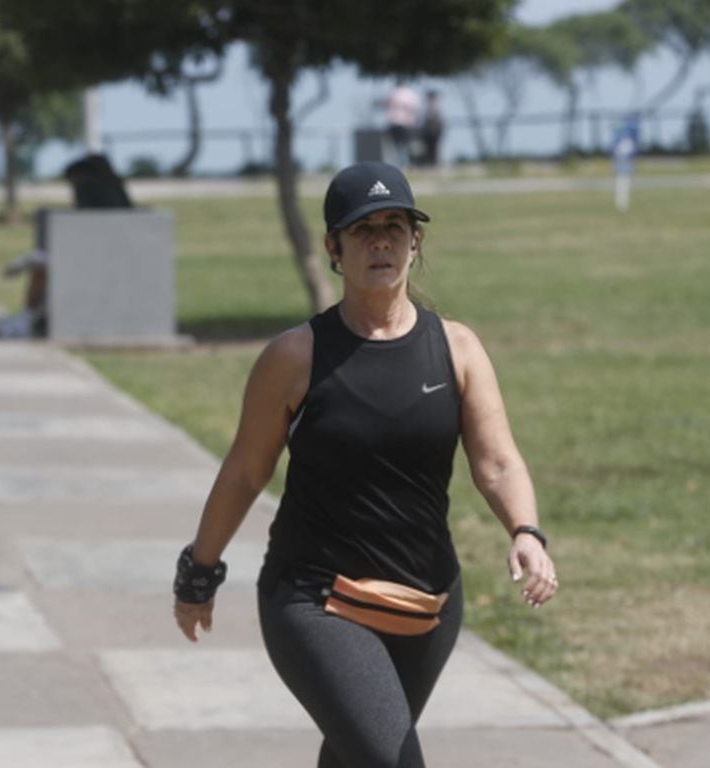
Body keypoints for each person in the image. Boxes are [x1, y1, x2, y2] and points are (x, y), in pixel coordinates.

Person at [172, 162, 558, 768]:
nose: (381, 241)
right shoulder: (296, 356)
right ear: (333, 247)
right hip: (316, 600)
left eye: (395, 226)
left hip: (427, 604)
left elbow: (498, 462)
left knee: (355, 759)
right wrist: (200, 570)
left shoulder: (456, 348)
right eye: (363, 229)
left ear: (415, 241)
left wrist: (526, 532)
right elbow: (246, 472)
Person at [0, 153, 132, 337]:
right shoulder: (115, 188)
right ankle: (27, 313)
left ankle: (26, 319)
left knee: (41, 266)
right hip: (111, 255)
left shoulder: (87, 187)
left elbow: (84, 224)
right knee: (41, 262)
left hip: (94, 258)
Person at [384, 83, 420, 169]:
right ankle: (406, 164)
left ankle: (400, 164)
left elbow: (387, 106)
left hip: (395, 122)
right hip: (406, 123)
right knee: (406, 146)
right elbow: (414, 108)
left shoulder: (392, 93)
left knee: (397, 146)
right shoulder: (410, 94)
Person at [419, 89, 444, 168]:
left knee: (434, 146)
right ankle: (430, 162)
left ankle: (434, 162)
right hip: (428, 128)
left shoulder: (436, 105)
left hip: (435, 128)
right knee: (428, 146)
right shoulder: (426, 105)